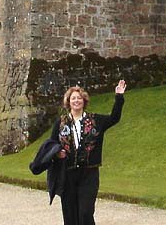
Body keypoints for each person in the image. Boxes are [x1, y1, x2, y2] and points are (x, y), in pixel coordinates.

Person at [50, 79, 126, 225]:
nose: (76, 101)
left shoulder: (95, 120)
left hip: (89, 174)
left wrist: (119, 97)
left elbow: (114, 118)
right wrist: (57, 152)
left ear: (84, 101)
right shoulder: (61, 123)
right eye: (73, 98)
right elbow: (51, 144)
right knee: (70, 215)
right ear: (68, 102)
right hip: (67, 174)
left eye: (79, 98)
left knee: (85, 213)